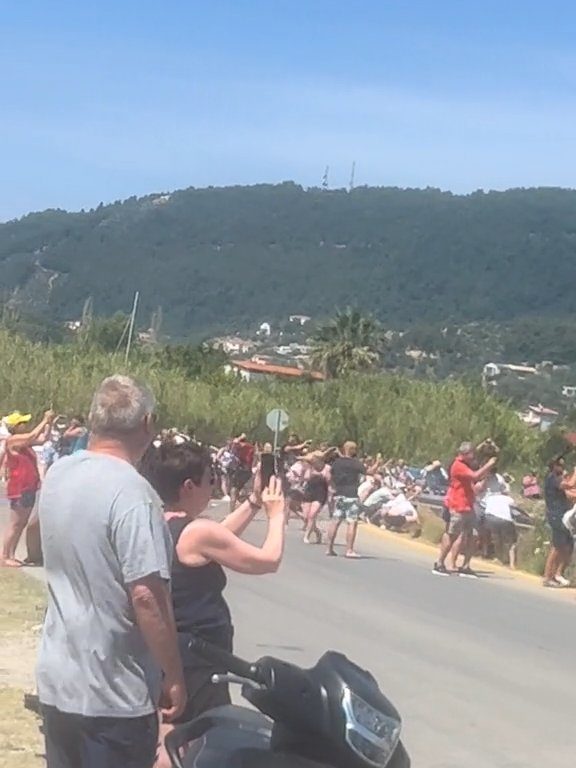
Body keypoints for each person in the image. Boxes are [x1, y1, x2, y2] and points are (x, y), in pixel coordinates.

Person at [36, 375, 186, 768]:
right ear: (147, 423)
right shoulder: (134, 495)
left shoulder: (58, 475)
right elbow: (146, 596)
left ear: (93, 421)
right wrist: (172, 675)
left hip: (59, 678)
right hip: (114, 691)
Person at [140, 440, 285, 768]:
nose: (213, 487)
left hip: (172, 650)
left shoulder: (164, 523)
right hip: (199, 657)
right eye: (209, 480)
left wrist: (252, 502)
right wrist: (277, 515)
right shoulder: (197, 532)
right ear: (189, 486)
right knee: (190, 739)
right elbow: (267, 560)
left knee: (169, 734)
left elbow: (218, 536)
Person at [432, 441, 497, 578]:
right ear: (465, 454)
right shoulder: (458, 465)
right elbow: (475, 475)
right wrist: (489, 464)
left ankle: (466, 565)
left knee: (473, 535)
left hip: (468, 504)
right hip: (458, 504)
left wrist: (484, 448)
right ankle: (439, 563)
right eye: (471, 453)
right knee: (452, 535)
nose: (473, 456)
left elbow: (476, 463)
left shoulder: (467, 464)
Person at [1, 409, 54, 567]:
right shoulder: (13, 440)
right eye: (22, 423)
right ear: (16, 427)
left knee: (21, 523)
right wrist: (44, 420)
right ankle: (4, 555)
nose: (26, 424)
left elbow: (43, 439)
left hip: (28, 486)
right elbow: (31, 436)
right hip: (19, 487)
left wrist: (49, 424)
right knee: (15, 523)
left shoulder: (24, 443)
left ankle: (11, 553)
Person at [326, 441, 367, 558]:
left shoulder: (337, 463)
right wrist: (378, 463)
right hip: (351, 495)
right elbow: (369, 472)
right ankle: (349, 550)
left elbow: (329, 476)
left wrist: (333, 487)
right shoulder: (356, 463)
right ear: (353, 450)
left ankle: (329, 548)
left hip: (339, 494)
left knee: (335, 521)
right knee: (352, 522)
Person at [542, 458, 576, 588]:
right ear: (554, 466)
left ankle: (557, 573)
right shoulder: (552, 478)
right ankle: (547, 576)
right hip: (555, 515)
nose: (563, 467)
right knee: (557, 546)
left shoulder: (558, 478)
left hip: (563, 514)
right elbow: (568, 485)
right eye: (560, 465)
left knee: (567, 546)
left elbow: (568, 492)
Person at [301, 453, 330, 544]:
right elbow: (305, 478)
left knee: (312, 515)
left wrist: (330, 497)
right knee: (306, 517)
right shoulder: (309, 467)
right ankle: (317, 532)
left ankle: (307, 536)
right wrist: (310, 469)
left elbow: (329, 481)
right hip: (309, 491)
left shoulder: (327, 468)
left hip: (320, 492)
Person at [229, 433, 255, 510]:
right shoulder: (251, 447)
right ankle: (239, 507)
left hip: (240, 470)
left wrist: (240, 437)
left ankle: (232, 510)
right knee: (241, 490)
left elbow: (235, 442)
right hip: (248, 471)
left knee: (234, 490)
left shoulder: (241, 446)